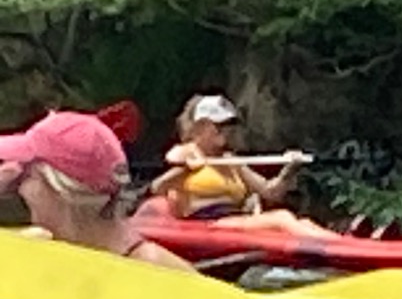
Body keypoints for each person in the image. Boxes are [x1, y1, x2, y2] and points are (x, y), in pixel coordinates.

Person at [0, 109, 193, 270]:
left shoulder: (158, 273)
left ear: (60, 189)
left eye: (25, 175)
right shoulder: (42, 247)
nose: (21, 189)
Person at [147, 93, 329, 238]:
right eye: (220, 125)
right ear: (200, 127)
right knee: (281, 219)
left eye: (229, 125)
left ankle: (346, 246)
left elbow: (271, 192)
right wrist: (186, 167)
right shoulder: (188, 152)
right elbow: (158, 185)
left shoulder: (232, 162)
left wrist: (290, 169)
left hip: (234, 222)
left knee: (302, 223)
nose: (227, 130)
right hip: (206, 226)